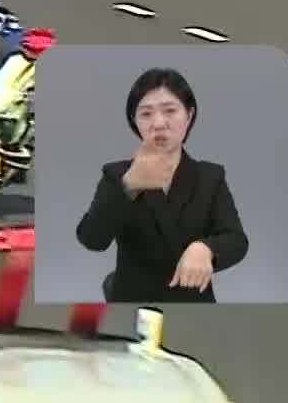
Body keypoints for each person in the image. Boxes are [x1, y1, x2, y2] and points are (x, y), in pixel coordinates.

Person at [74, 67, 248, 303]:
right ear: (134, 122)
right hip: (132, 303)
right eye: (146, 114)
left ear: (189, 115)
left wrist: (206, 248)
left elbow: (236, 240)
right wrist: (129, 186)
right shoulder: (117, 175)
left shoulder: (209, 176)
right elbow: (92, 239)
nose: (158, 123)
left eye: (170, 111)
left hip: (194, 305)